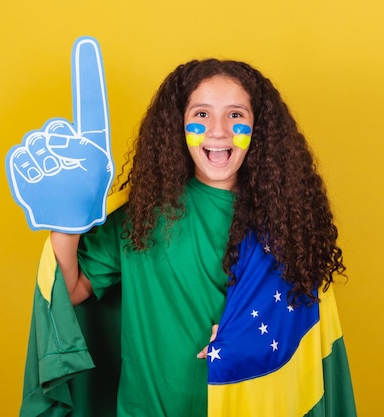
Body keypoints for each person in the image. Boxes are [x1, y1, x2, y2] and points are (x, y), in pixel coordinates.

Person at [49, 59, 353, 416]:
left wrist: (250, 334)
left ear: (259, 128)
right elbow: (73, 289)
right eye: (202, 114)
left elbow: (299, 329)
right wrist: (65, 222)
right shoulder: (141, 214)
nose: (219, 131)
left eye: (236, 115)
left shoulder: (289, 225)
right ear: (178, 125)